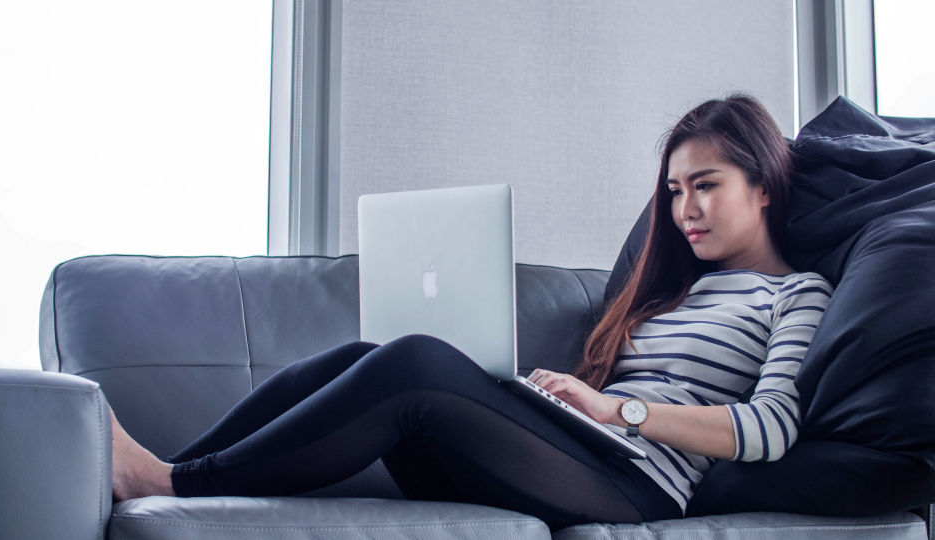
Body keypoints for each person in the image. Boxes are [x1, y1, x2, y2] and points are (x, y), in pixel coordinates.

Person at [110, 93, 834, 530]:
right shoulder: (675, 290)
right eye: (673, 192)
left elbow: (769, 430)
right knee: (369, 356)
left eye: (703, 185)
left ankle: (170, 484)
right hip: (576, 454)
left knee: (416, 362)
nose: (683, 210)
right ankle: (173, 470)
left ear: (764, 184)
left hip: (639, 489)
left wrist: (619, 413)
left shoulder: (797, 294)